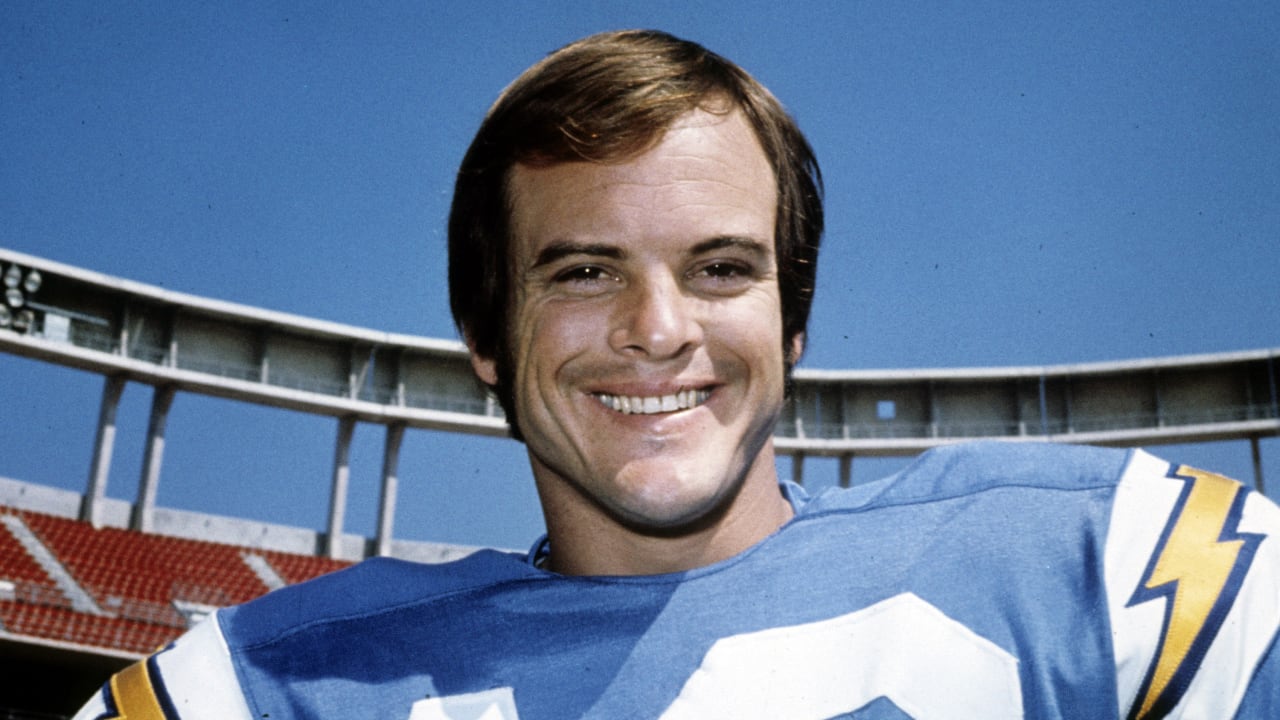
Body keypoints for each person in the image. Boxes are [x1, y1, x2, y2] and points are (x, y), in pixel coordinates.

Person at [75, 29, 1278, 720]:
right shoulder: (265, 691)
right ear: (484, 337)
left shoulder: (1105, 568)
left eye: (717, 268)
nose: (658, 330)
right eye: (584, 272)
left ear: (790, 321)